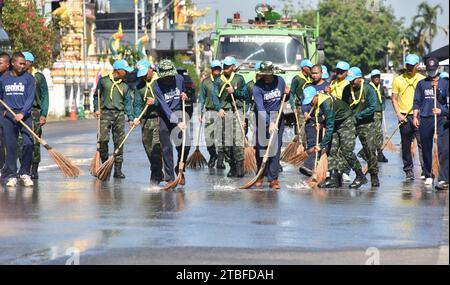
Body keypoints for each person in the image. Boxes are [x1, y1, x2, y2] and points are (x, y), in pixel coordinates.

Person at [302, 86, 364, 189]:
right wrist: (322, 124)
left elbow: (330, 129)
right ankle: (333, 178)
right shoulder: (319, 101)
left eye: (311, 100)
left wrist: (321, 145)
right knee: (331, 149)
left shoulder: (326, 103)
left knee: (346, 150)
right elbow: (328, 119)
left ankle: (360, 175)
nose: (310, 103)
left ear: (316, 96)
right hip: (336, 122)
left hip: (346, 122)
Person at [94, 59, 134, 179]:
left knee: (119, 142)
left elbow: (128, 103)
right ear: (118, 70)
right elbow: (97, 96)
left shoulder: (124, 85)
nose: (126, 73)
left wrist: (131, 117)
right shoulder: (104, 81)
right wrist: (96, 108)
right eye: (124, 70)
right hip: (105, 114)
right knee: (103, 140)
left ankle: (118, 170)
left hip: (119, 115)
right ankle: (106, 166)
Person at [0, 52, 36, 187]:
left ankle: (25, 172)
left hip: (24, 115)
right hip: (8, 116)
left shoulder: (29, 79)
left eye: (24, 63)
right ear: (13, 63)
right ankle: (11, 175)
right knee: (11, 146)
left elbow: (30, 98)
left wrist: (22, 113)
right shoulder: (3, 78)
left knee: (28, 143)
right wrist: (3, 110)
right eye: (20, 63)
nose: (23, 65)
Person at [252, 61, 289, 189]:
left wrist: (287, 94)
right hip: (263, 117)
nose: (266, 76)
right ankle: (260, 174)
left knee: (275, 148)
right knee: (262, 147)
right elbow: (260, 107)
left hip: (277, 116)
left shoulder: (280, 81)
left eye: (268, 74)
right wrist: (269, 122)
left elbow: (283, 98)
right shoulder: (257, 87)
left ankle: (273, 178)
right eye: (264, 74)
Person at [413, 57, 449, 186]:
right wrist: (416, 117)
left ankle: (444, 177)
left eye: (433, 70)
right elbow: (417, 101)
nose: (431, 72)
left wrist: (441, 111)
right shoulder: (421, 84)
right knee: (426, 148)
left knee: (443, 148)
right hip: (426, 118)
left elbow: (448, 104)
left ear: (438, 69)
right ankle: (428, 173)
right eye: (429, 70)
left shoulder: (445, 84)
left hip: (441, 120)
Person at [153, 59, 189, 185]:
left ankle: (180, 169)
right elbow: (164, 106)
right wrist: (176, 122)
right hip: (165, 115)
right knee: (167, 148)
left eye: (170, 76)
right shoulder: (156, 85)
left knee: (185, 144)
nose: (168, 79)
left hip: (179, 111)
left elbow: (183, 91)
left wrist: (184, 95)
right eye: (166, 77)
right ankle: (170, 178)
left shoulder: (179, 79)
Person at [392, 54, 427, 181]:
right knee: (406, 145)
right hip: (404, 117)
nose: (409, 67)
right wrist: (399, 114)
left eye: (412, 65)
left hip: (419, 116)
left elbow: (426, 100)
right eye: (408, 65)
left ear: (417, 65)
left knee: (423, 144)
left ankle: (425, 170)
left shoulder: (422, 80)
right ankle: (408, 170)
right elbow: (394, 99)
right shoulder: (398, 80)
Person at [342, 67, 378, 187]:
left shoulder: (368, 89)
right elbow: (344, 106)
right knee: (346, 148)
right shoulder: (347, 89)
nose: (351, 82)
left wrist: (358, 116)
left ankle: (373, 174)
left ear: (360, 78)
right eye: (350, 80)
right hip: (351, 123)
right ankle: (355, 173)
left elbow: (372, 107)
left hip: (366, 123)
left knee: (369, 150)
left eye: (353, 80)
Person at [213, 56, 247, 177]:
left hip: (237, 111)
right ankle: (231, 166)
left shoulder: (239, 78)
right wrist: (219, 108)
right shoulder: (218, 80)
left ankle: (239, 167)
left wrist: (235, 92)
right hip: (225, 112)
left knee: (237, 141)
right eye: (224, 66)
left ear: (233, 67)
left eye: (228, 66)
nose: (225, 68)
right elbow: (214, 96)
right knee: (226, 143)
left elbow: (245, 96)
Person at [132, 59, 163, 185]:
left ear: (151, 69)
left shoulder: (160, 82)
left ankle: (155, 175)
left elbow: (166, 101)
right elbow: (138, 104)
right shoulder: (140, 86)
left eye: (146, 73)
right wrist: (136, 117)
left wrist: (155, 102)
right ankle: (157, 170)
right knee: (148, 147)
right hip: (145, 121)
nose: (144, 76)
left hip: (158, 119)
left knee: (156, 148)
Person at [21, 52, 49, 180]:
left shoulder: (38, 77)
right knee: (21, 141)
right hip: (20, 112)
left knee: (35, 141)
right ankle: (23, 168)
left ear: (30, 63)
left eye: (25, 61)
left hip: (35, 112)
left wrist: (43, 114)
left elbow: (44, 96)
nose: (23, 64)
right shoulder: (17, 76)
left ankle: (35, 168)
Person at [299, 64, 328, 177]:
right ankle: (309, 166)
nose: (315, 75)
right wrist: (305, 112)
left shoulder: (327, 87)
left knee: (322, 145)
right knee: (312, 144)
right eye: (313, 73)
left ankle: (318, 167)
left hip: (322, 120)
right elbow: (304, 103)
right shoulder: (308, 87)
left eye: (317, 73)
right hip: (311, 120)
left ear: (321, 73)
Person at [198, 60, 221, 168]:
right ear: (211, 69)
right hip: (209, 111)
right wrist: (200, 113)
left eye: (218, 68)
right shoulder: (205, 82)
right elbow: (201, 98)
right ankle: (213, 155)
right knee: (209, 137)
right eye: (215, 68)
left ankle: (221, 159)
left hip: (222, 112)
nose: (217, 70)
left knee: (221, 137)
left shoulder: (223, 80)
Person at [289, 59, 313, 149]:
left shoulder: (311, 78)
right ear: (304, 68)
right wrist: (293, 106)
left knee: (310, 128)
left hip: (311, 106)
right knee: (301, 129)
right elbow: (292, 93)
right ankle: (301, 148)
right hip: (300, 106)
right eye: (309, 67)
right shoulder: (297, 78)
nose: (311, 69)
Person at [367, 69, 389, 163]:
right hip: (372, 112)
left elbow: (383, 97)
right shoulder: (368, 87)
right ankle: (377, 153)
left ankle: (378, 152)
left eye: (378, 77)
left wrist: (383, 106)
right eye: (375, 77)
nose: (377, 78)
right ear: (371, 78)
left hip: (379, 112)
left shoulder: (380, 87)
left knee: (378, 133)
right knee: (376, 133)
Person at [0, 52, 10, 177]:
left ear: (7, 65)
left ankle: (5, 166)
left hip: (4, 113)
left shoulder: (9, 78)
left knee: (4, 142)